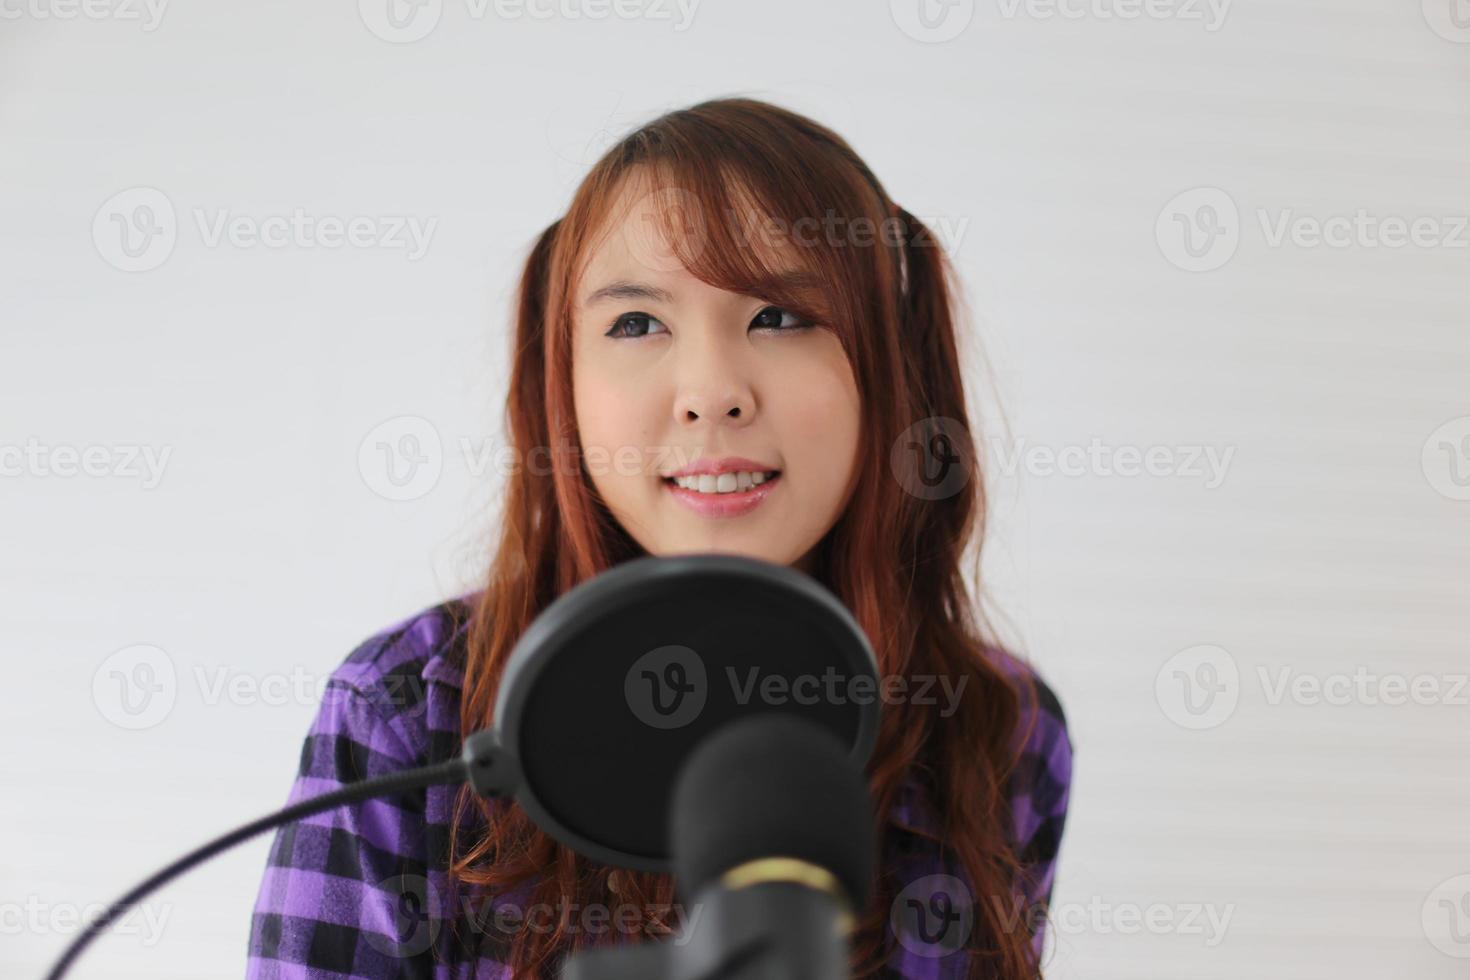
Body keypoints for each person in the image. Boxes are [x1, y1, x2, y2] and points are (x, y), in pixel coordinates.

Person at [245, 97, 1073, 980]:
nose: (711, 391)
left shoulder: (999, 734)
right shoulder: (406, 715)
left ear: (891, 370)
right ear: (560, 380)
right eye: (636, 323)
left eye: (782, 315)